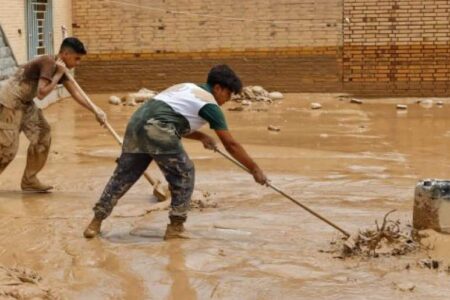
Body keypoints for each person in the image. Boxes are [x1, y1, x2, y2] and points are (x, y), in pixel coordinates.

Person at [84, 64, 267, 240]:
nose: (227, 100)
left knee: (123, 176)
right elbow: (230, 144)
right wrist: (254, 169)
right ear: (218, 88)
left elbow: (171, 118)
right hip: (157, 129)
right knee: (184, 173)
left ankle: (95, 222)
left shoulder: (185, 87)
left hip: (136, 124)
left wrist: (202, 137)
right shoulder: (209, 104)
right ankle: (176, 227)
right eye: (228, 94)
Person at [0, 37, 106, 192]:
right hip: (10, 102)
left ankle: (29, 180)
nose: (78, 63)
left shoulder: (61, 68)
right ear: (65, 54)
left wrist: (96, 110)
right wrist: (58, 75)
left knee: (43, 135)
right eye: (76, 58)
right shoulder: (48, 63)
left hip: (26, 103)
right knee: (8, 150)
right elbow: (42, 94)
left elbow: (76, 93)